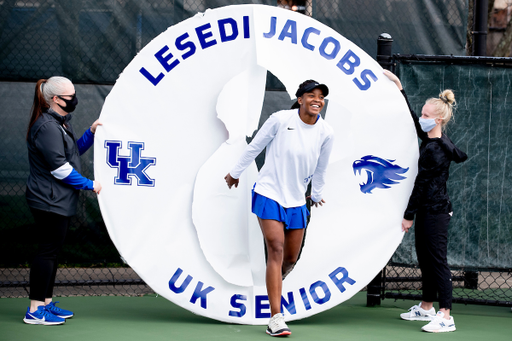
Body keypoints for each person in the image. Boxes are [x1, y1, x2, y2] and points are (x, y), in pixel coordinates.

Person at [225, 80, 334, 337]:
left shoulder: (326, 132)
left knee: (290, 258)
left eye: (321, 97)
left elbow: (321, 167)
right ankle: (275, 317)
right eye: (311, 95)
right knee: (275, 248)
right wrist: (235, 173)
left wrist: (316, 195)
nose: (317, 100)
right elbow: (255, 146)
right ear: (300, 99)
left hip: (297, 201)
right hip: (269, 193)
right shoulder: (280, 119)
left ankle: (273, 283)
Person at [384, 70, 467, 333]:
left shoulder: (436, 149)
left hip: (435, 211)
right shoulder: (433, 139)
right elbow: (412, 122)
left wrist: (409, 215)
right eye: (422, 113)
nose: (422, 118)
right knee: (425, 258)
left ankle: (446, 315)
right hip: (429, 211)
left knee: (437, 261)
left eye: (427, 116)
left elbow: (421, 185)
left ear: (439, 119)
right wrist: (399, 89)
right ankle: (427, 307)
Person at [23, 76, 102, 325]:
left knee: (53, 252)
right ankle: (35, 310)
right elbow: (60, 169)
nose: (74, 99)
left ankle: (46, 303)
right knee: (47, 252)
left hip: (58, 200)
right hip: (48, 201)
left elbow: (72, 152)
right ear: (55, 99)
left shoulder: (60, 123)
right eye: (70, 96)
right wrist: (90, 185)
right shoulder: (47, 126)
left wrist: (90, 132)